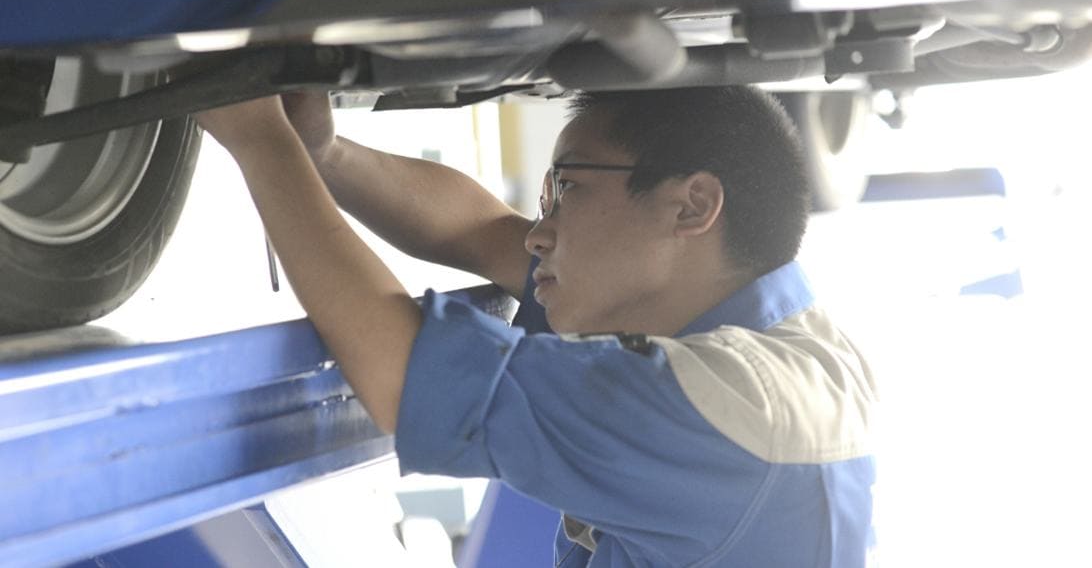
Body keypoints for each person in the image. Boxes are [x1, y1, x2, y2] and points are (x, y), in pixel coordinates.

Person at [197, 85, 878, 567]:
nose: (542, 230)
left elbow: (403, 376)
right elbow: (484, 232)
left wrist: (260, 142)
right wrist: (322, 153)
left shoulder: (729, 409)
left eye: (569, 188)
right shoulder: (759, 322)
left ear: (691, 204)